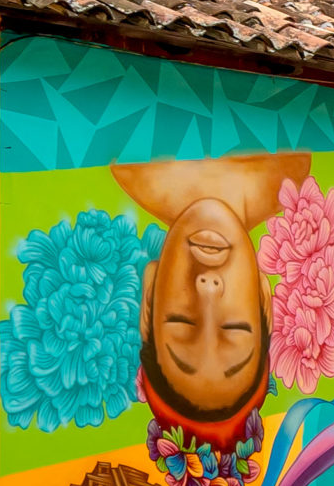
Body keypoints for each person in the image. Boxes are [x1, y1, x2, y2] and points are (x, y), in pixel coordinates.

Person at [111, 152, 306, 447]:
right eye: (234, 329)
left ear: (149, 294)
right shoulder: (296, 171)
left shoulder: (123, 163)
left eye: (181, 323)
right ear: (264, 298)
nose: (208, 288)